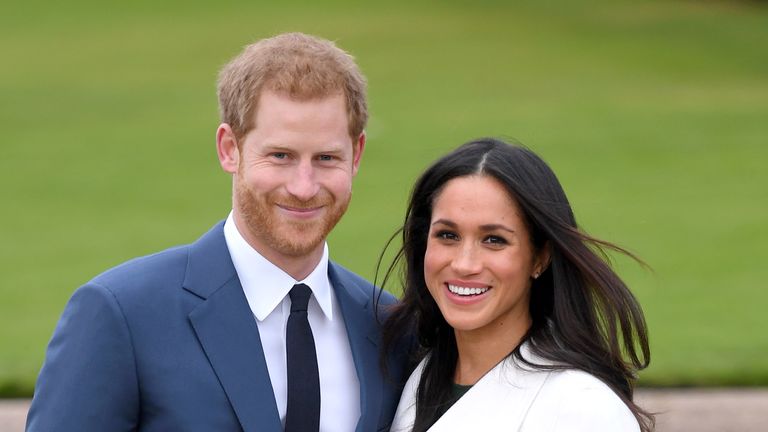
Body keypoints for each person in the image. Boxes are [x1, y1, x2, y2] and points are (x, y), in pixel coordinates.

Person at [27, 32, 408, 432]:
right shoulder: (122, 315)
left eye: (327, 158)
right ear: (230, 148)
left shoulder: (390, 327)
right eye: (281, 156)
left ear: (357, 155)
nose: (303, 186)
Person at [381, 138, 654, 431]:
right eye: (448, 235)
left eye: (494, 240)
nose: (464, 264)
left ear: (539, 258)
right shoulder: (414, 377)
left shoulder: (582, 408)